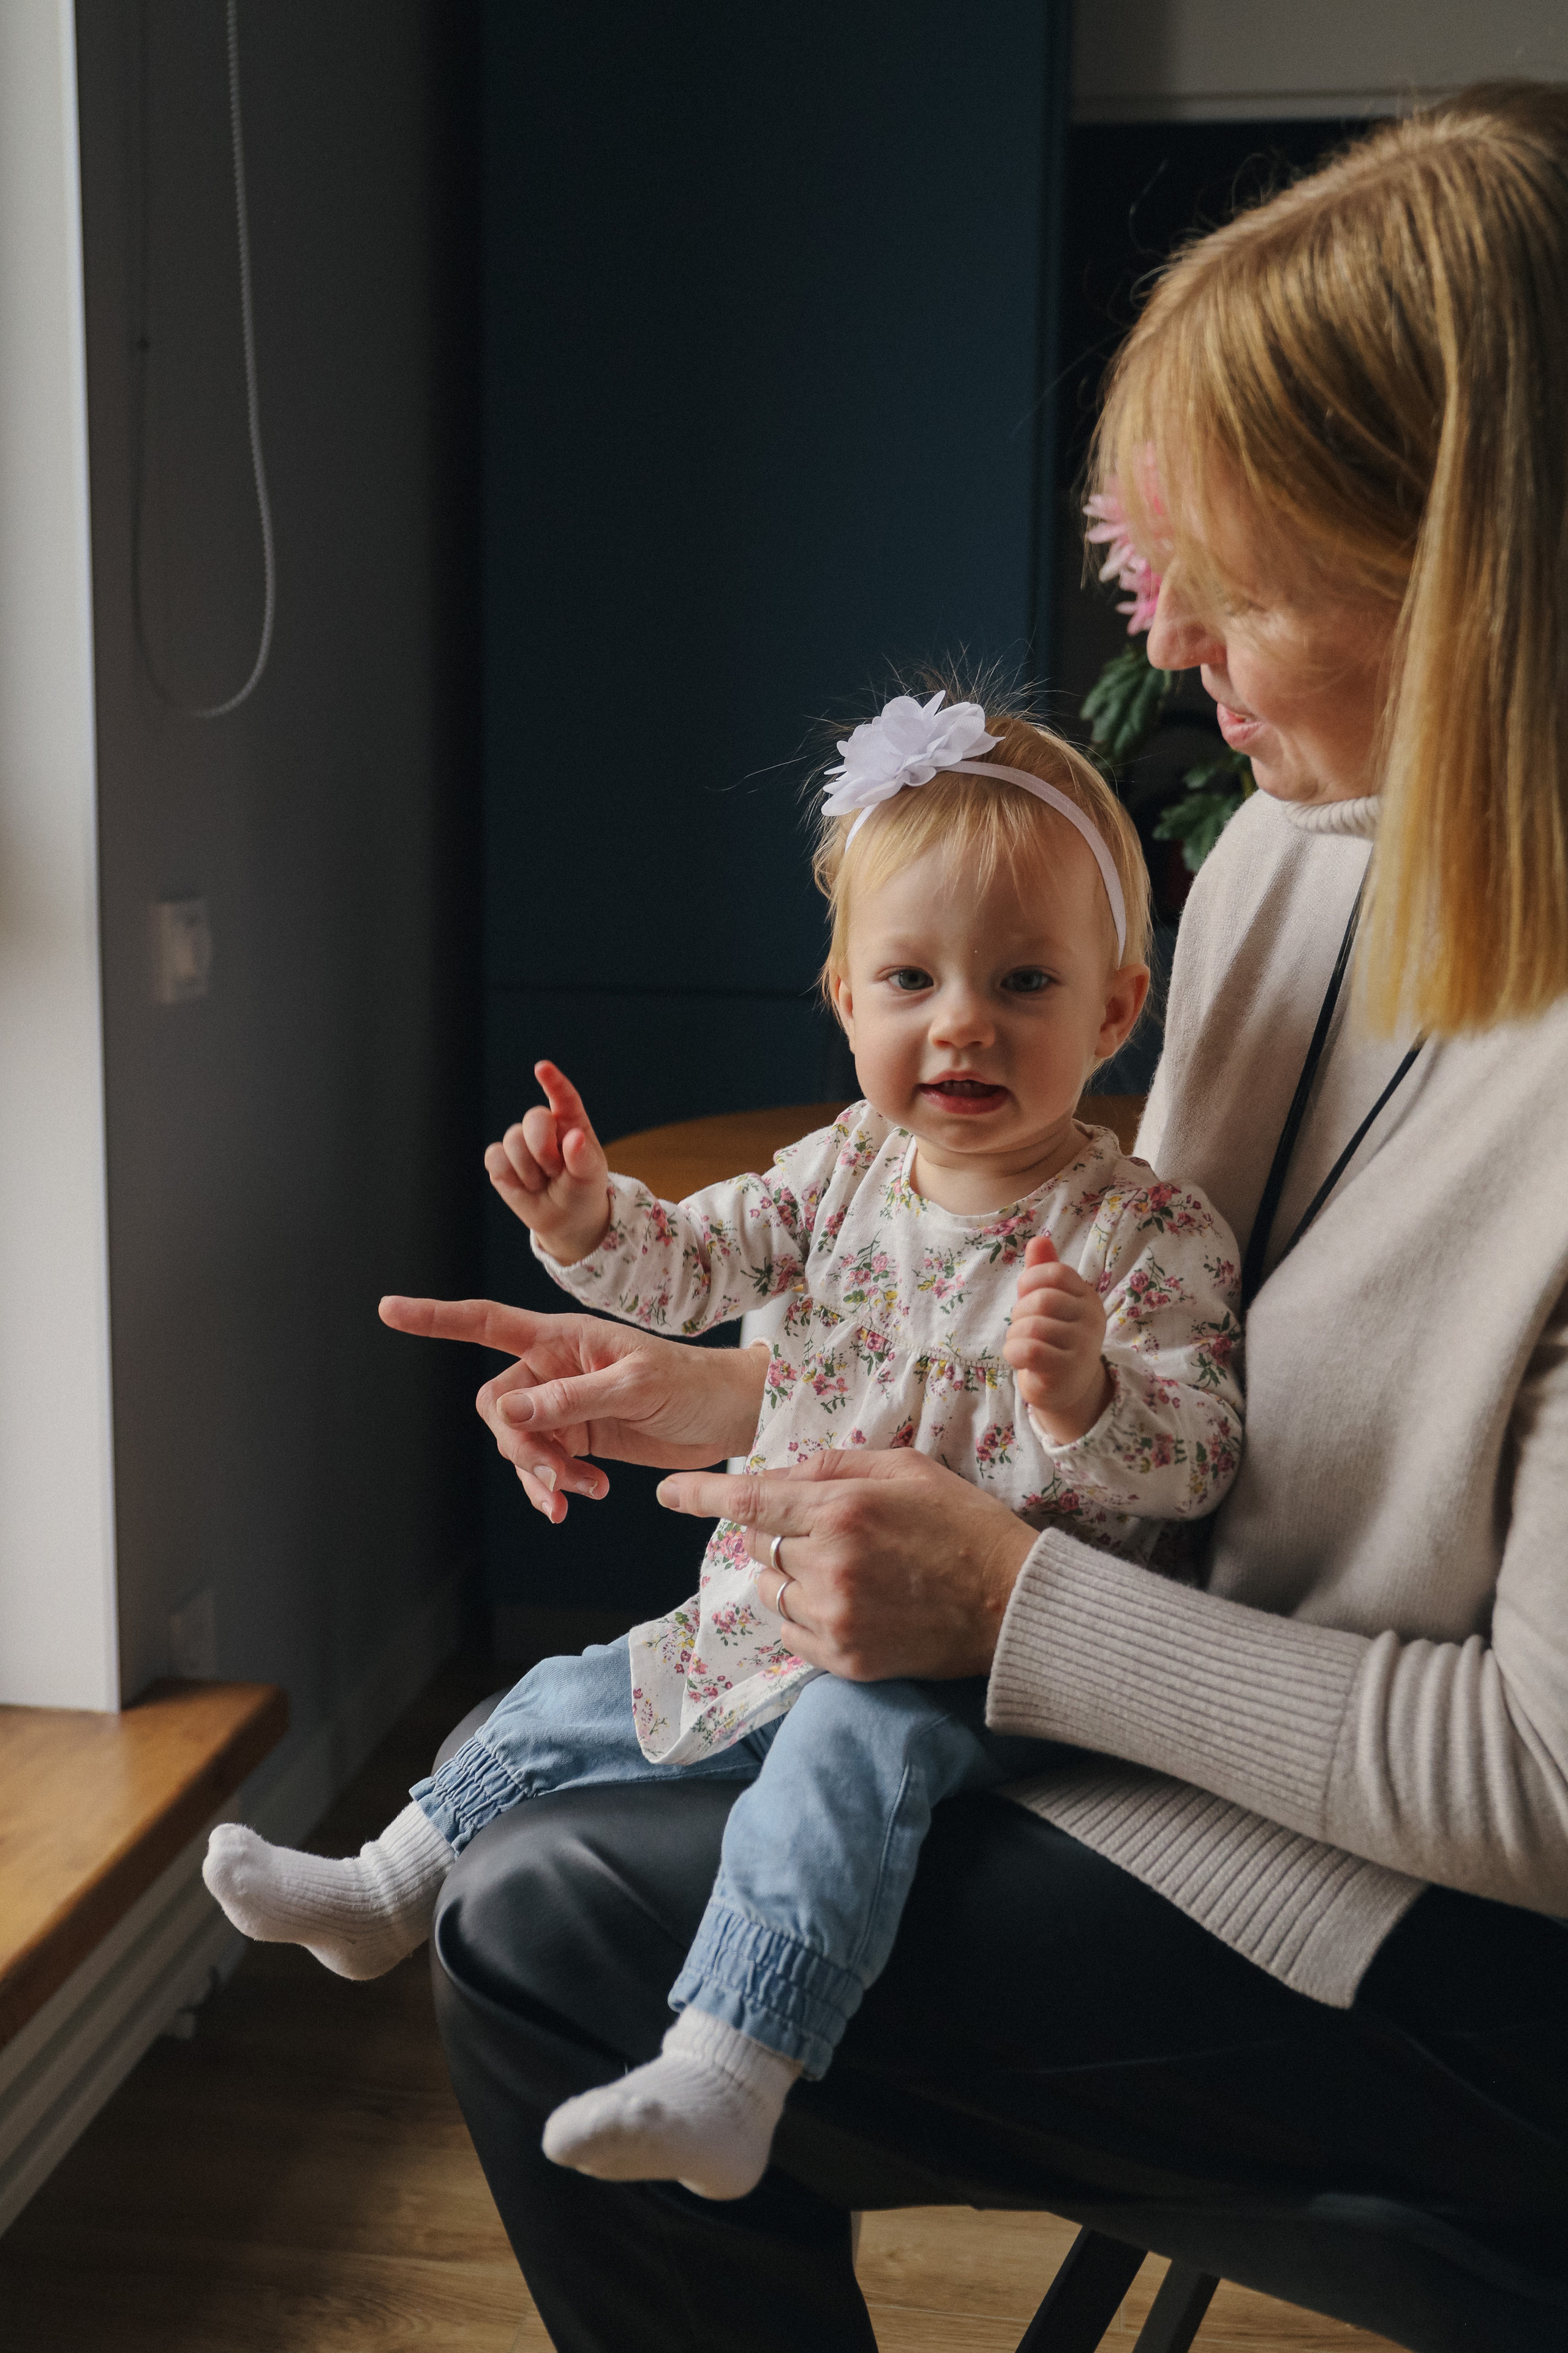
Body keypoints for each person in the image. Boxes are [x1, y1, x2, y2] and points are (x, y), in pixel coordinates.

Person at [372, 86, 1568, 2353]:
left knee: (543, 1927)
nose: (1180, 638)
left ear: (1480, 566)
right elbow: (1096, 1342)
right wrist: (697, 1391)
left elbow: (1540, 1782)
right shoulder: (1301, 871)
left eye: (1254, 577)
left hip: (1461, 1935)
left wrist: (1012, 1607)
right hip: (1164, 1727)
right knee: (546, 1865)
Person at [203, 694, 1244, 2201]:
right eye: (911, 978)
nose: (961, 1020)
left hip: (977, 1667)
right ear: (844, 1001)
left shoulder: (1141, 1233)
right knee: (570, 1694)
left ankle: (731, 2064)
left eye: (1022, 981)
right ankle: (384, 1887)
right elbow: (690, 1268)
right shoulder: (840, 1172)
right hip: (768, 1615)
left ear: (1111, 1008)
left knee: (834, 1761)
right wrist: (584, 1222)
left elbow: (1199, 1456)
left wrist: (1086, 1398)